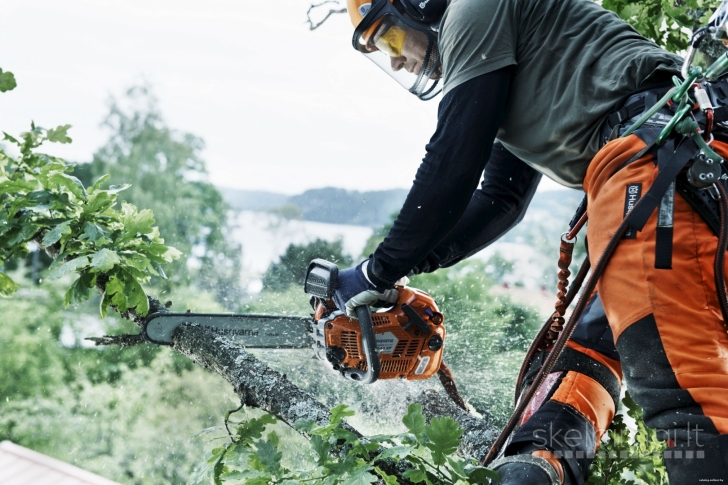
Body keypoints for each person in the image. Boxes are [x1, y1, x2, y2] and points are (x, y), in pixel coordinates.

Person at [332, 0, 728, 483]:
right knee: (586, 352)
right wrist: (408, 266)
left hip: (656, 165)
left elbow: (454, 159)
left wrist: (376, 271)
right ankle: (536, 467)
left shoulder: (471, 11)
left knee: (684, 393)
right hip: (664, 166)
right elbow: (501, 199)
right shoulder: (506, 55)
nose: (395, 60)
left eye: (390, 39)